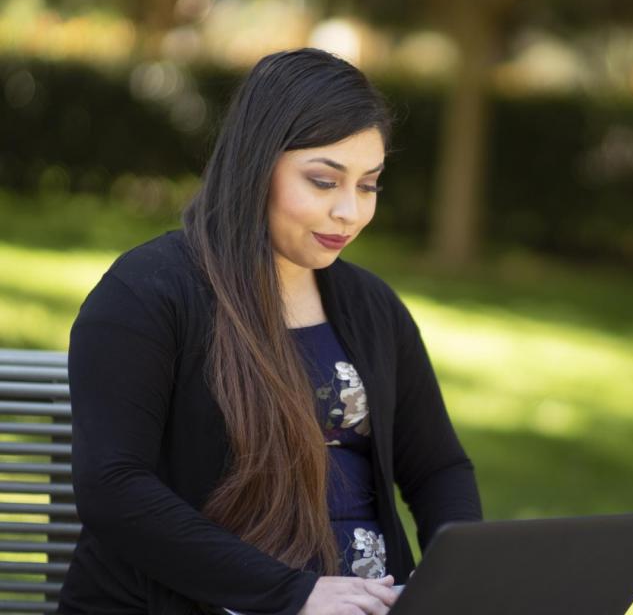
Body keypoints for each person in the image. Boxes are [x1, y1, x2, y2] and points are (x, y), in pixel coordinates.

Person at [59, 48, 483, 615]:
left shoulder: (370, 306)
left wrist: (459, 583)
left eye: (369, 185)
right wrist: (295, 594)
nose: (349, 212)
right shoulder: (148, 294)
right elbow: (113, 489)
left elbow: (437, 468)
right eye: (324, 181)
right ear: (257, 166)